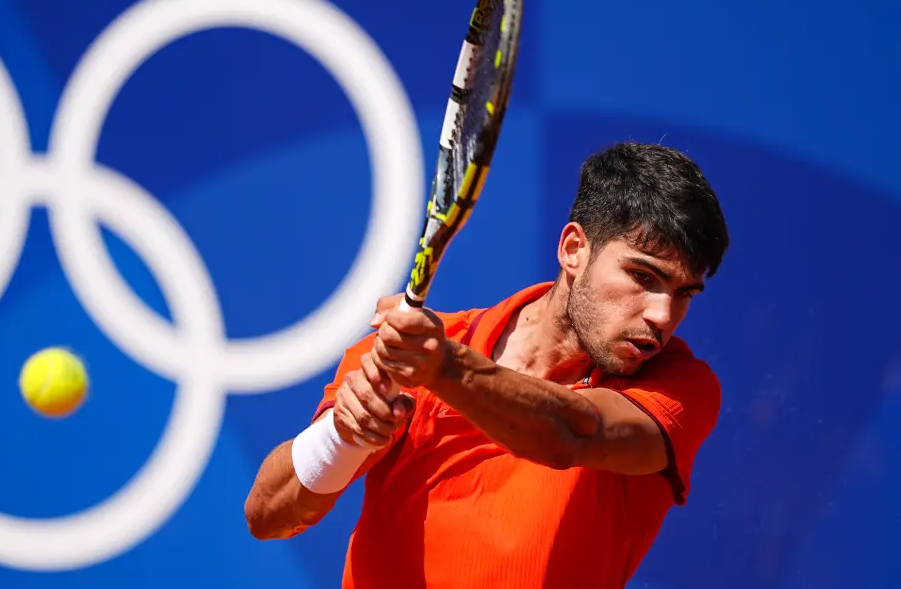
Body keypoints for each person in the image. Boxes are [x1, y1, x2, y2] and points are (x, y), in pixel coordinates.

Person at [244, 141, 730, 588]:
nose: (663, 316)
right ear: (574, 250)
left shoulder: (679, 388)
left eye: (684, 293)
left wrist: (445, 369)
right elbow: (267, 515)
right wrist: (346, 437)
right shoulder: (418, 355)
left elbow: (573, 432)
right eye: (643, 276)